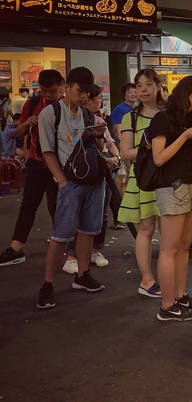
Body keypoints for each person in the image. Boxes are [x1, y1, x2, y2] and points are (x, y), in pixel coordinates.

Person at [37, 67, 106, 310]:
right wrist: (62, 181)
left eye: (86, 93)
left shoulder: (88, 114)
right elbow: (47, 151)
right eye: (79, 92)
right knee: (60, 235)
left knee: (88, 231)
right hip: (70, 183)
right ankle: (47, 284)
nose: (83, 97)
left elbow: (94, 147)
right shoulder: (50, 114)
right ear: (67, 87)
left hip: (93, 181)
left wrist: (99, 136)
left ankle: (82, 275)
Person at [151, 75, 192, 321]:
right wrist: (185, 137)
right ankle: (167, 306)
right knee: (169, 248)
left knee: (184, 246)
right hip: (171, 187)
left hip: (191, 184)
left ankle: (180, 295)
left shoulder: (191, 119)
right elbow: (159, 158)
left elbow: (191, 156)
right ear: (182, 94)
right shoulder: (162, 118)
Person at [0, 70, 64, 267]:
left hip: (59, 164)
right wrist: (27, 123)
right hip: (37, 163)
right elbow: (17, 132)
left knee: (58, 207)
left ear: (62, 85)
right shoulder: (33, 102)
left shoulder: (67, 104)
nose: (47, 95)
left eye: (51, 91)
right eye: (43, 90)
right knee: (28, 205)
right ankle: (16, 247)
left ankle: (64, 248)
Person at [61, 84, 121, 273]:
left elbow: (109, 142)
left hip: (100, 171)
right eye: (97, 99)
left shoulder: (99, 120)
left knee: (101, 213)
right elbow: (73, 147)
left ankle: (96, 251)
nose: (100, 102)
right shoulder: (74, 120)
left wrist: (117, 158)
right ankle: (72, 256)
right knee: (76, 215)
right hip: (79, 173)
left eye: (101, 98)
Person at [117, 69, 165, 298]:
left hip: (168, 179)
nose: (143, 89)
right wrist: (150, 149)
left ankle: (168, 278)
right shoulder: (130, 117)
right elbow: (125, 152)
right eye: (139, 85)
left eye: (148, 84)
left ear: (157, 86)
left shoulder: (169, 114)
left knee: (169, 232)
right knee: (146, 229)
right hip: (144, 179)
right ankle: (147, 280)